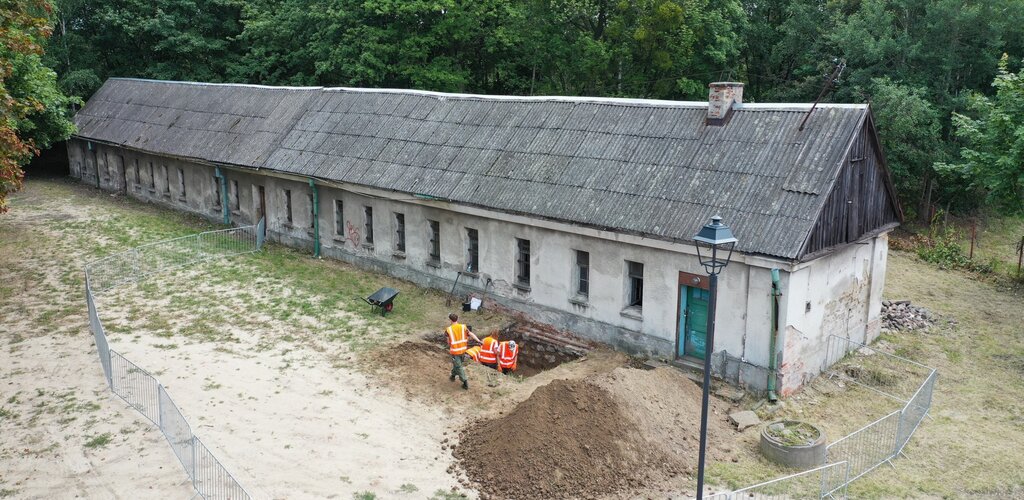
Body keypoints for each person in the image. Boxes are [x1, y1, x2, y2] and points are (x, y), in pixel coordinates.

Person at [445, 313, 481, 390]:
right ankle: (453, 376)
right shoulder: (463, 327)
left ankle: (465, 382)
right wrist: (478, 340)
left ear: (450, 320)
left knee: (459, 366)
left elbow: (448, 342)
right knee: (457, 365)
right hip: (463, 351)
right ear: (458, 319)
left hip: (455, 352)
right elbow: (471, 334)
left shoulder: (448, 330)